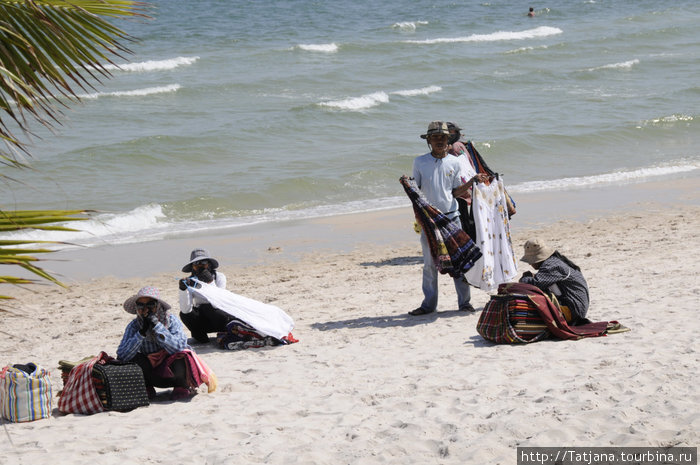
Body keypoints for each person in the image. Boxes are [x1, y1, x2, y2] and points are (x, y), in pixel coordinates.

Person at [409, 121, 488, 316]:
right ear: (428, 140)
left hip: (452, 218)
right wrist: (419, 218)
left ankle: (464, 303)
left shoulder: (454, 162)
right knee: (429, 264)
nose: (439, 141)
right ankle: (429, 305)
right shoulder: (420, 162)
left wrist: (471, 181)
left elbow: (454, 192)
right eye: (435, 137)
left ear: (447, 140)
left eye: (442, 137)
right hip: (429, 221)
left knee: (459, 261)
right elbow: (416, 193)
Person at [116, 286, 196, 401]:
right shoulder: (134, 326)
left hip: (173, 371)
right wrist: (141, 333)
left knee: (182, 356)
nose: (145, 309)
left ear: (157, 306)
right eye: (141, 305)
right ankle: (147, 387)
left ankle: (181, 386)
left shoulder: (171, 321)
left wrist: (158, 326)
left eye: (150, 305)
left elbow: (180, 346)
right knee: (134, 359)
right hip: (151, 373)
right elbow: (122, 354)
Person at [518, 238, 590, 324]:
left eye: (531, 261)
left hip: (573, 311)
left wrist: (525, 277)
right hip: (578, 308)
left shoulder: (551, 265)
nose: (530, 264)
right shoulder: (554, 261)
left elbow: (534, 284)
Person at [178, 248, 233, 343]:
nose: (200, 266)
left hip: (219, 317)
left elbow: (219, 302)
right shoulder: (191, 281)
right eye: (196, 264)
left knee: (209, 308)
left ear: (209, 265)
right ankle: (200, 336)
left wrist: (210, 282)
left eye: (203, 262)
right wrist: (183, 289)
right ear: (192, 267)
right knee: (184, 315)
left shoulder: (219, 277)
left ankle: (225, 332)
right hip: (202, 320)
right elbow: (186, 310)